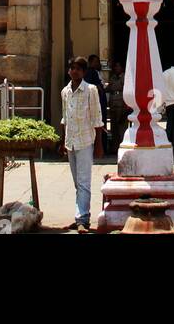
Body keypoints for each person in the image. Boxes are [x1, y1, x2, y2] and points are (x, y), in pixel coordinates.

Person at [60, 56, 104, 233]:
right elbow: (65, 118)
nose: (74, 71)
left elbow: (97, 118)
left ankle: (82, 219)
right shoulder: (65, 92)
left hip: (86, 140)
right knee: (77, 182)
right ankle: (80, 214)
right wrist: (62, 141)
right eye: (71, 68)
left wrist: (99, 144)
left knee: (84, 181)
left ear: (84, 72)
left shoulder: (90, 90)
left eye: (78, 68)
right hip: (71, 141)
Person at [106, 59, 127, 152]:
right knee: (113, 127)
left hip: (121, 103)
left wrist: (126, 106)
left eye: (118, 66)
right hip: (113, 103)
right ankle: (115, 148)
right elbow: (109, 88)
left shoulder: (125, 77)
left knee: (121, 127)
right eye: (115, 66)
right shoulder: (113, 77)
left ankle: (123, 146)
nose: (116, 68)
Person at [85, 53, 108, 128]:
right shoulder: (92, 72)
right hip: (97, 102)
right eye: (96, 62)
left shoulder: (95, 72)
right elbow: (97, 87)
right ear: (91, 62)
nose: (98, 63)